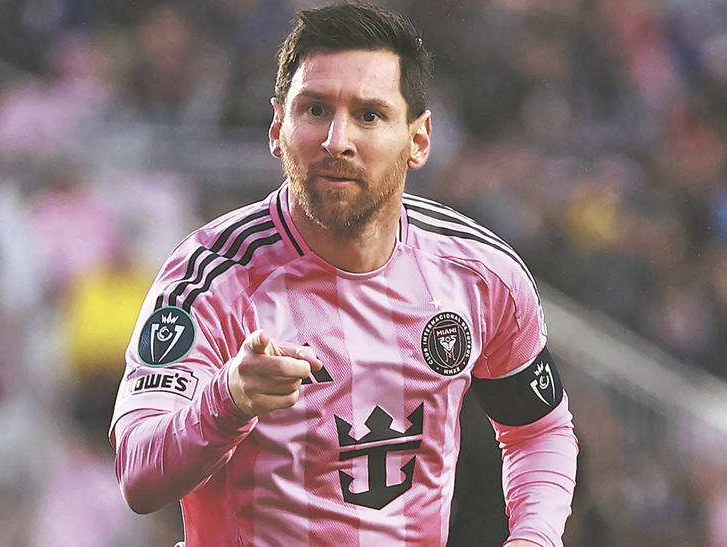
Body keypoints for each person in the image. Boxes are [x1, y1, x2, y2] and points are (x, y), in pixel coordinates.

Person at [109, 2, 578, 546]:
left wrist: (535, 537)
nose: (337, 140)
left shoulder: (479, 274)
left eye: (369, 115)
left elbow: (539, 430)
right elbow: (138, 475)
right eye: (315, 110)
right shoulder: (212, 277)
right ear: (277, 128)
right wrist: (228, 398)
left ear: (419, 140)